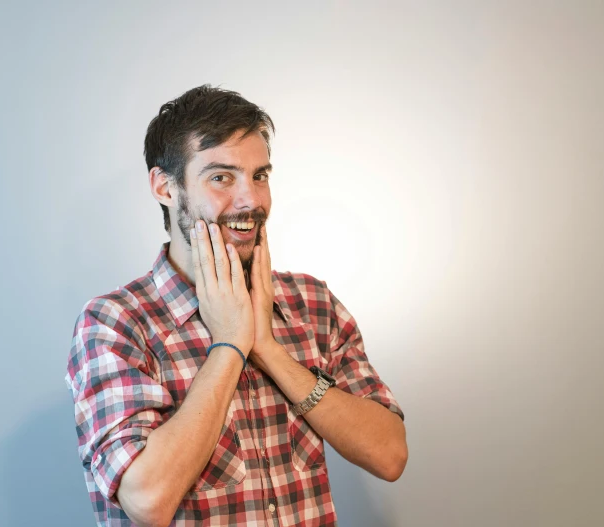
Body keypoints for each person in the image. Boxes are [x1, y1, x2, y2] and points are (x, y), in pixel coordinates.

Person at [65, 85, 408, 527]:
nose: (251, 200)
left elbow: (390, 455)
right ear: (165, 187)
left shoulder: (313, 303)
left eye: (260, 176)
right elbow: (147, 499)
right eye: (221, 177)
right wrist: (229, 344)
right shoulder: (115, 324)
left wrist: (268, 349)